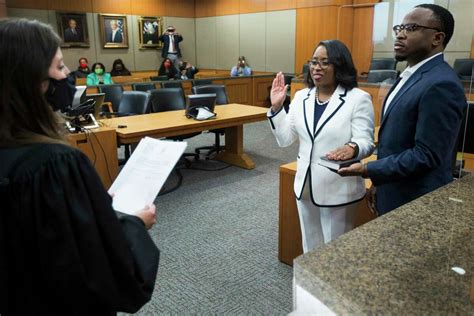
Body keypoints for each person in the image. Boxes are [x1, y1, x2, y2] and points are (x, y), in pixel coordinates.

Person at [0, 19, 159, 314]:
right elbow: (93, 269)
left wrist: (85, 205)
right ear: (35, 81)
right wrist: (135, 224)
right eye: (60, 66)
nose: (68, 75)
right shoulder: (55, 164)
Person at [338, 4, 467, 215]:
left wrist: (368, 169)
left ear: (437, 38)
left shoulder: (442, 84)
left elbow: (426, 155)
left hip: (416, 201)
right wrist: (379, 182)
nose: (400, 35)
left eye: (411, 28)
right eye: (399, 28)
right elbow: (396, 141)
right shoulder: (409, 75)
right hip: (393, 188)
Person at [268, 40, 375, 253]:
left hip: (338, 185)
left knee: (335, 251)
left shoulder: (358, 99)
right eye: (314, 62)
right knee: (310, 247)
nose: (317, 67)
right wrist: (277, 107)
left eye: (325, 62)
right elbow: (285, 139)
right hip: (305, 184)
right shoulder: (301, 97)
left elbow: (366, 140)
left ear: (340, 65)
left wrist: (352, 148)